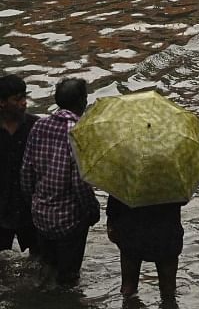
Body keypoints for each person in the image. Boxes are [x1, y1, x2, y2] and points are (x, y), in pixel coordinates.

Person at [19, 78, 100, 286]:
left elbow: (27, 172)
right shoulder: (78, 132)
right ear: (82, 101)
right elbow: (80, 183)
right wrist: (92, 210)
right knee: (69, 277)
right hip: (69, 221)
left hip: (40, 216)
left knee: (47, 265)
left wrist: (35, 204)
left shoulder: (39, 125)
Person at [105, 194, 184, 299]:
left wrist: (111, 223)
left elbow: (115, 200)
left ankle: (130, 304)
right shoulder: (171, 178)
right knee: (168, 289)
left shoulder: (126, 178)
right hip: (167, 233)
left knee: (128, 288)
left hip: (131, 233)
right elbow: (183, 199)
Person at [0, 74, 37, 256]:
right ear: (2, 102)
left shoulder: (36, 127)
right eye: (17, 99)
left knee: (40, 258)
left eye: (24, 97)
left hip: (29, 208)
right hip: (1, 207)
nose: (24, 102)